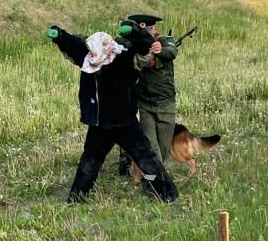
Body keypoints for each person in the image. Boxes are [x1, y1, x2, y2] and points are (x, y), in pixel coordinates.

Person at [46, 20, 178, 203]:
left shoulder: (123, 57)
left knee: (146, 160)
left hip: (124, 123)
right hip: (102, 124)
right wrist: (59, 35)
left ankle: (167, 194)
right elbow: (75, 43)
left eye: (96, 49)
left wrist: (132, 30)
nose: (94, 53)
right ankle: (76, 199)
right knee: (91, 162)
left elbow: (143, 44)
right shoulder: (89, 58)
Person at [117, 13, 178, 174]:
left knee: (165, 146)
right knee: (151, 145)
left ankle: (159, 174)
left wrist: (160, 49)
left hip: (166, 103)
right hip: (144, 103)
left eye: (148, 30)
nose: (144, 34)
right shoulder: (133, 46)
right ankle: (157, 180)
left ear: (154, 29)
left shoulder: (164, 41)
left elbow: (172, 51)